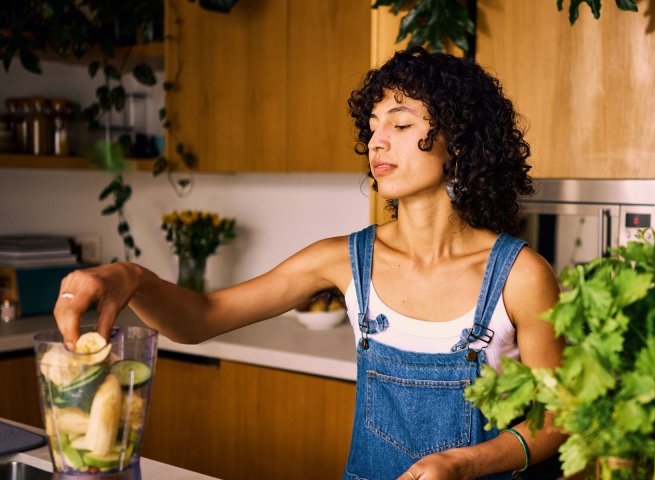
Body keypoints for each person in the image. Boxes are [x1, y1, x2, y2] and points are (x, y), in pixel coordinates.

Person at [54, 47, 566, 480]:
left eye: (401, 123)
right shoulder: (342, 260)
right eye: (371, 127)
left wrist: (464, 464)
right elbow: (199, 318)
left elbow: (557, 418)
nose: (376, 141)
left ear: (460, 139)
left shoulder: (521, 275)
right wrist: (132, 278)